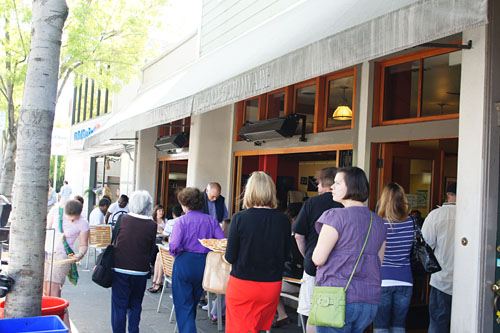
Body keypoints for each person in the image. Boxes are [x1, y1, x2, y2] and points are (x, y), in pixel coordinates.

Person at [312, 166, 387, 332]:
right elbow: (378, 261)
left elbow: (318, 258)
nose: (332, 187)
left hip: (335, 297)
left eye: (337, 183)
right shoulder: (379, 222)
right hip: (368, 299)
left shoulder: (335, 216)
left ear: (352, 186)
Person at [224, 171, 291, 333]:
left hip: (243, 285)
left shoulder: (239, 218)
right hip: (271, 285)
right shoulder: (283, 219)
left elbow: (230, 257)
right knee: (257, 327)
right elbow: (285, 254)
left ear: (249, 191)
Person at [292, 167, 343, 333]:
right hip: (340, 267)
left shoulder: (313, 203)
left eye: (319, 184)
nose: (318, 188)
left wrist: (308, 255)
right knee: (338, 314)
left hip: (314, 266)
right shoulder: (346, 204)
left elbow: (298, 235)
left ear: (325, 184)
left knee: (312, 313)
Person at [169, 187, 226, 333]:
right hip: (204, 264)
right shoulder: (211, 221)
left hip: (184, 262)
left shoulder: (181, 222)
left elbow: (174, 245)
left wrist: (177, 252)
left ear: (185, 204)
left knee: (183, 305)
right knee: (192, 303)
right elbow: (223, 242)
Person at [111, 190, 157, 333]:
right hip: (141, 270)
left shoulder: (123, 219)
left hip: (120, 267)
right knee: (136, 304)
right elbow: (151, 249)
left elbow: (115, 240)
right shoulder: (152, 224)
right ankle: (133, 330)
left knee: (119, 306)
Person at [373, 183, 414, 333]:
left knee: (381, 327)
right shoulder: (411, 222)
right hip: (405, 279)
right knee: (399, 326)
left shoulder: (378, 223)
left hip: (383, 279)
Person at [422, 182, 456, 333]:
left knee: (438, 323)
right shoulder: (474, 214)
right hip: (468, 283)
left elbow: (424, 246)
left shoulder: (436, 215)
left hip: (441, 279)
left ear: (448, 195)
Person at [44, 199, 90, 297]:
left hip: (63, 255)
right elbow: (47, 228)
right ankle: (56, 311)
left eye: (74, 219)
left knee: (53, 288)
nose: (71, 221)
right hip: (48, 251)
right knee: (44, 288)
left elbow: (84, 244)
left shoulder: (83, 223)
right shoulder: (56, 211)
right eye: (69, 218)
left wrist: (80, 254)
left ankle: (56, 311)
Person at [274, 202, 304, 328]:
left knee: (269, 282)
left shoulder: (295, 237)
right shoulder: (310, 235)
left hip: (295, 281)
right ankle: (282, 315)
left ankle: (281, 315)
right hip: (303, 280)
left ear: (293, 218)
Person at [147, 205, 183, 293]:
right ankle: (156, 282)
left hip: (175, 255)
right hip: (175, 249)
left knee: (161, 253)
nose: (161, 212)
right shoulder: (183, 221)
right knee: (159, 254)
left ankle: (157, 282)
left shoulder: (170, 222)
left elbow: (164, 234)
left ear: (173, 214)